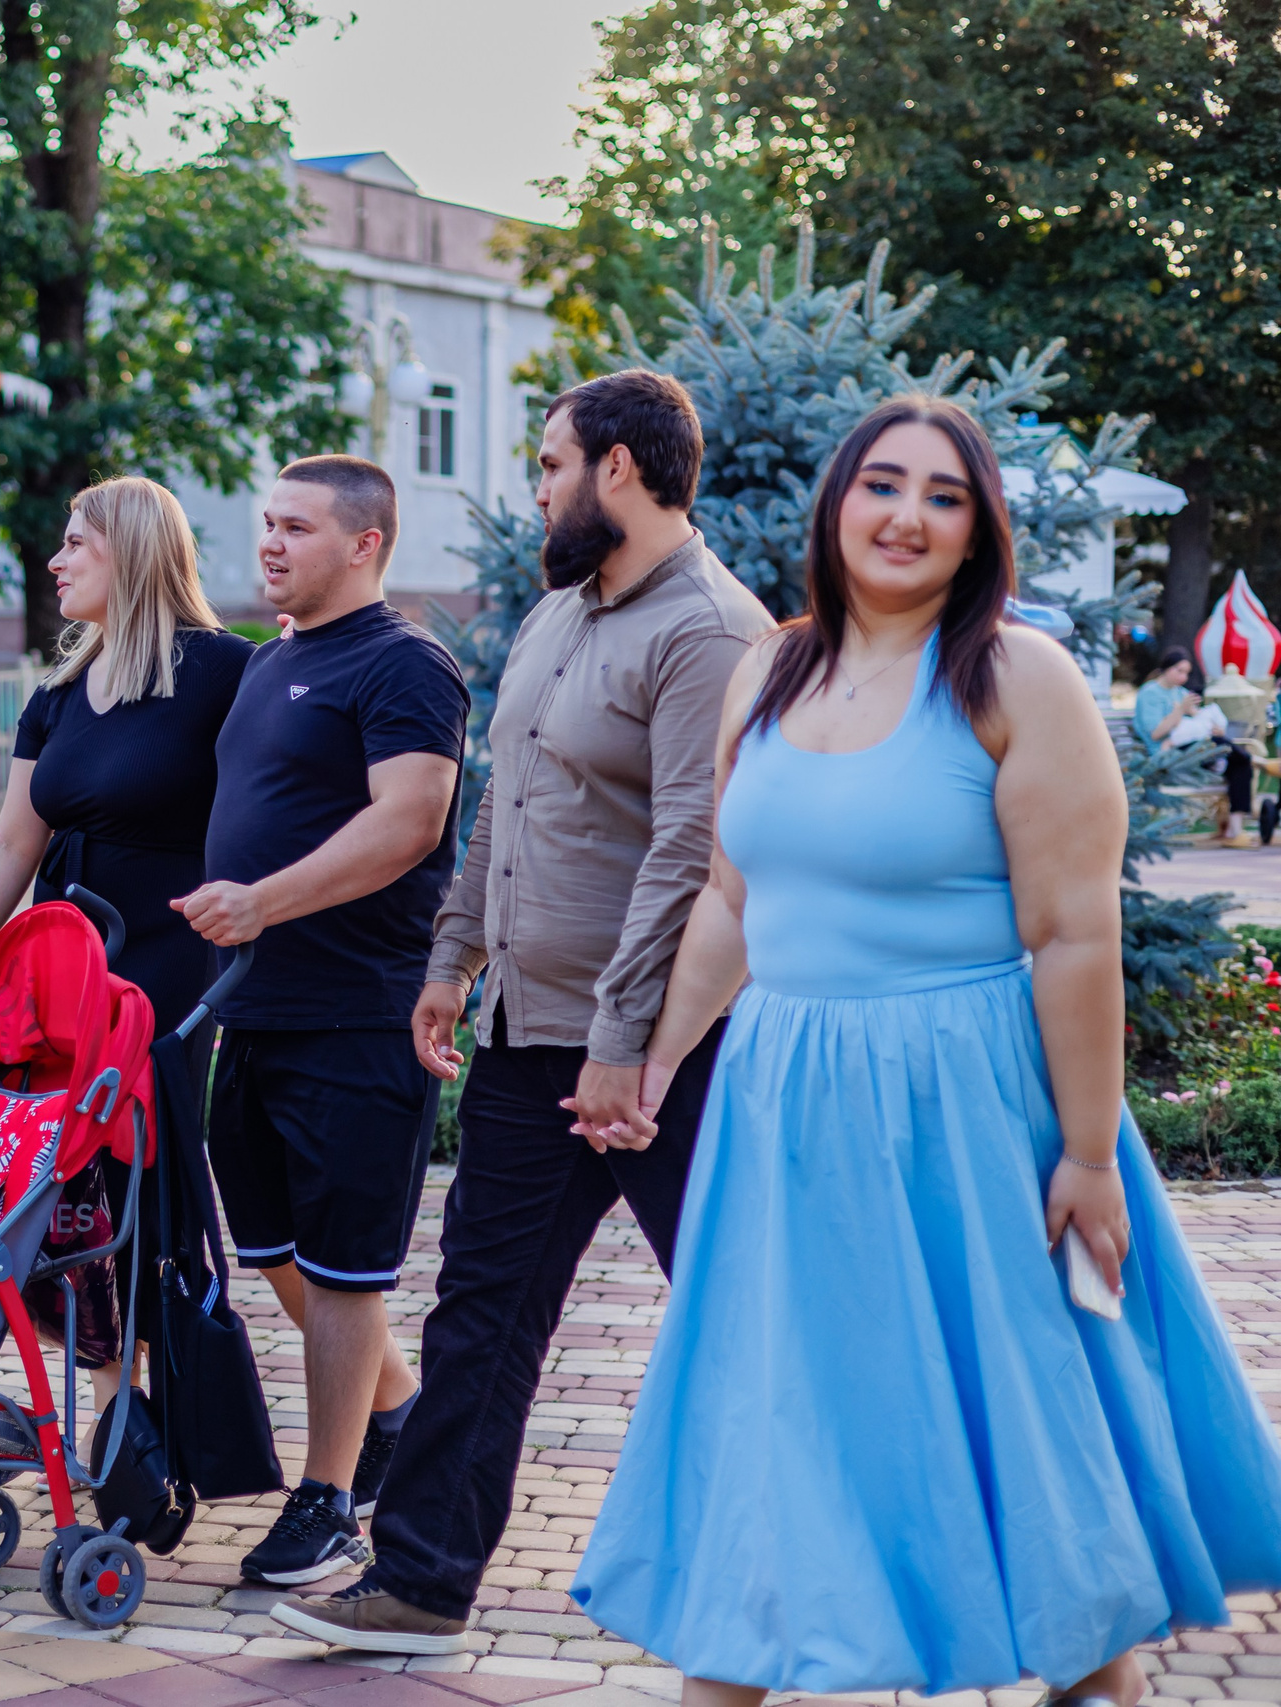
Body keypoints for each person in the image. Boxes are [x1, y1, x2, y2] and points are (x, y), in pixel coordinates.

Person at [569, 397, 1281, 1704]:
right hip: (782, 1105)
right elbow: (732, 896)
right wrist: (660, 1060)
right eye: (883, 484)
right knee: (776, 1419)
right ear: (837, 501)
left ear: (977, 529)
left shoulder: (1019, 677)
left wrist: (1086, 1153)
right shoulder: (766, 670)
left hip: (969, 1104)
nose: (906, 514)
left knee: (1036, 1454)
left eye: (943, 495)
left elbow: (1073, 934)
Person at [273, 370, 774, 1651]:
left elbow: (690, 850)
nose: (535, 485)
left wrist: (625, 1049)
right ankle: (422, 1583)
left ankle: (823, 1567)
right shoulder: (563, 612)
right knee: (481, 1313)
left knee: (743, 1308)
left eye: (549, 463)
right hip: (524, 1038)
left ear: (616, 468)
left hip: (669, 1055)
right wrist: (452, 958)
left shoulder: (708, 629)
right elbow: (501, 800)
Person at [176, 454, 468, 1587]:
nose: (269, 544)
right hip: (252, 1012)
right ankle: (396, 1409)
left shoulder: (406, 666)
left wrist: (261, 901)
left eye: (295, 527)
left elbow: (407, 824)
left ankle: (329, 1497)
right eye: (265, 524)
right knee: (271, 1252)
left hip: (358, 1013)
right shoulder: (267, 666)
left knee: (348, 1273)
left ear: (365, 543)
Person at [0, 477, 255, 1396]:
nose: (56, 560)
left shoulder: (229, 672)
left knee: (141, 1178)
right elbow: (8, 840)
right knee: (61, 1177)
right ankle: (111, 1406)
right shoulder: (59, 693)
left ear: (134, 551)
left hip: (170, 965)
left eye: (76, 544)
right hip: (65, 960)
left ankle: (150, 1409)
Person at [1131, 647, 1261, 846]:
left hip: (1195, 750)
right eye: (1179, 670)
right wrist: (1181, 710)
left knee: (1239, 764)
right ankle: (1253, 759)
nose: (1183, 677)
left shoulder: (1180, 693)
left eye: (1187, 673)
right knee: (1231, 752)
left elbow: (1196, 723)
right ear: (1166, 668)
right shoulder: (1149, 694)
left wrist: (1211, 726)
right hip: (1167, 754)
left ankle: (1235, 831)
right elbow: (1155, 733)